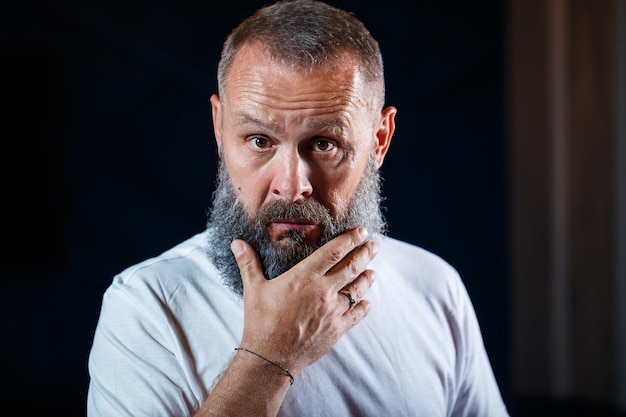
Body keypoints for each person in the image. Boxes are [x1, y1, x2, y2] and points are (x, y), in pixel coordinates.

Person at [87, 0, 509, 415]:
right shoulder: (147, 309)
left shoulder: (435, 290)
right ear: (219, 128)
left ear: (380, 139)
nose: (291, 187)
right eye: (259, 141)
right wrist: (270, 357)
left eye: (324, 144)